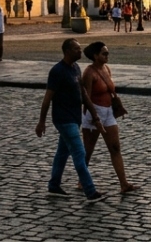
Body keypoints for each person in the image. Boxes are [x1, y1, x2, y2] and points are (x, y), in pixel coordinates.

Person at [35, 38, 105, 202]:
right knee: (79, 153)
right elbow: (47, 98)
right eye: (76, 49)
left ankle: (54, 185)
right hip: (63, 119)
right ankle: (90, 191)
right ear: (67, 52)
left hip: (75, 118)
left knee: (62, 152)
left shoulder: (76, 68)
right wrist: (41, 121)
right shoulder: (57, 71)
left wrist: (95, 116)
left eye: (80, 49)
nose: (80, 52)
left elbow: (84, 95)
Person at [80, 41, 137, 194]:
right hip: (94, 112)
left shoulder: (106, 69)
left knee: (115, 147)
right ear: (95, 56)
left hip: (108, 112)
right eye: (104, 53)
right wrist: (94, 117)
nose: (107, 56)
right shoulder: (89, 73)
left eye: (107, 53)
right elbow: (86, 98)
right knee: (88, 150)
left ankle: (123, 183)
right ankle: (82, 180)